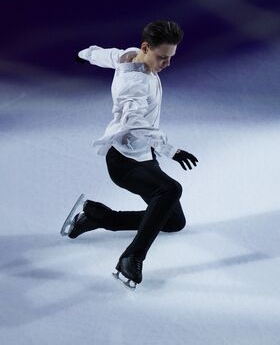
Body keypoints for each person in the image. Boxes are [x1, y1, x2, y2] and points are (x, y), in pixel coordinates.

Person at [68, 20, 198, 290]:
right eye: (162, 57)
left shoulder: (130, 55)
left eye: (171, 57)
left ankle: (99, 217)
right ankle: (131, 257)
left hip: (142, 156)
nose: (167, 64)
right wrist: (172, 151)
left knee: (174, 222)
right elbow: (136, 124)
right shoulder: (133, 85)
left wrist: (85, 54)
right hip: (124, 163)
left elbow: (108, 54)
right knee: (170, 190)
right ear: (146, 48)